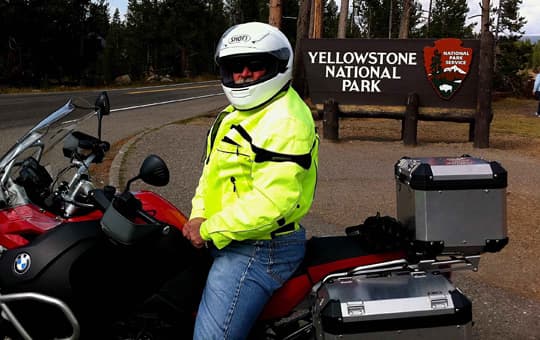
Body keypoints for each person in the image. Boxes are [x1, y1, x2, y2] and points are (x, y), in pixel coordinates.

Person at [182, 22, 319, 339]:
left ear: (277, 66)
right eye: (234, 66)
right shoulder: (235, 114)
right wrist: (199, 215)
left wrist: (206, 229)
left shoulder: (286, 119)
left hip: (261, 248)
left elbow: (272, 204)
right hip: (226, 235)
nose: (243, 74)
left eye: (255, 66)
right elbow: (211, 175)